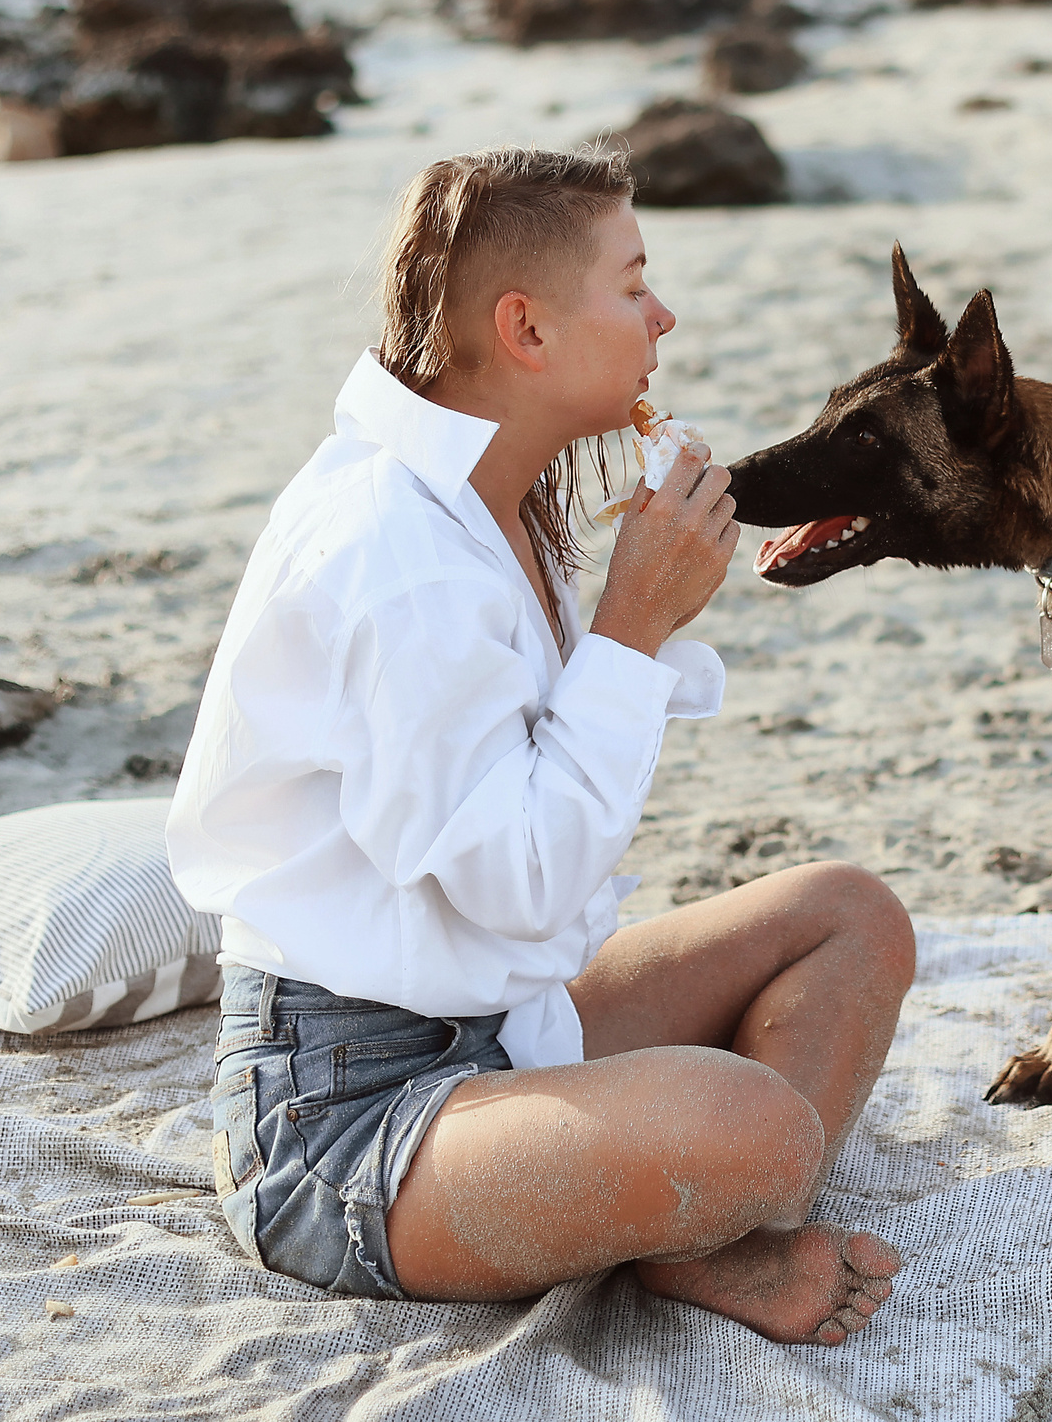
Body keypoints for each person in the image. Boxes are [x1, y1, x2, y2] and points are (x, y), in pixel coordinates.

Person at [168, 144, 913, 1344]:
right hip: (353, 1120)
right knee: (759, 1132)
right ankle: (690, 1229)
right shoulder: (392, 555)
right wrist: (630, 627)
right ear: (526, 327)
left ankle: (675, 1226)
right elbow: (518, 886)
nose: (663, 315)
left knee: (849, 916)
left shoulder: (499, 494)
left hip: (506, 1027)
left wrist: (630, 621)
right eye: (632, 285)